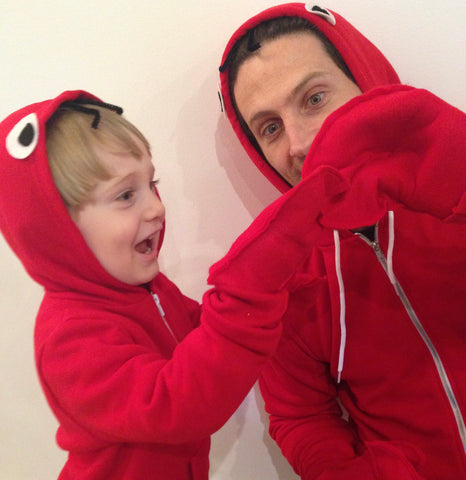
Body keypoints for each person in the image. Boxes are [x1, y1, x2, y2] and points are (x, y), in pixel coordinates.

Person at [0, 89, 351, 480]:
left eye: (152, 184)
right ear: (56, 232)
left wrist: (285, 288)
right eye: (126, 195)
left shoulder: (145, 291)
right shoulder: (70, 338)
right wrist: (252, 288)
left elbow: (204, 330)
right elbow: (176, 404)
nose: (156, 206)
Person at [218, 3, 466, 480]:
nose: (299, 143)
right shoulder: (281, 275)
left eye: (314, 99)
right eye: (270, 127)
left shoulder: (455, 174)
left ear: (366, 80)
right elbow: (299, 416)